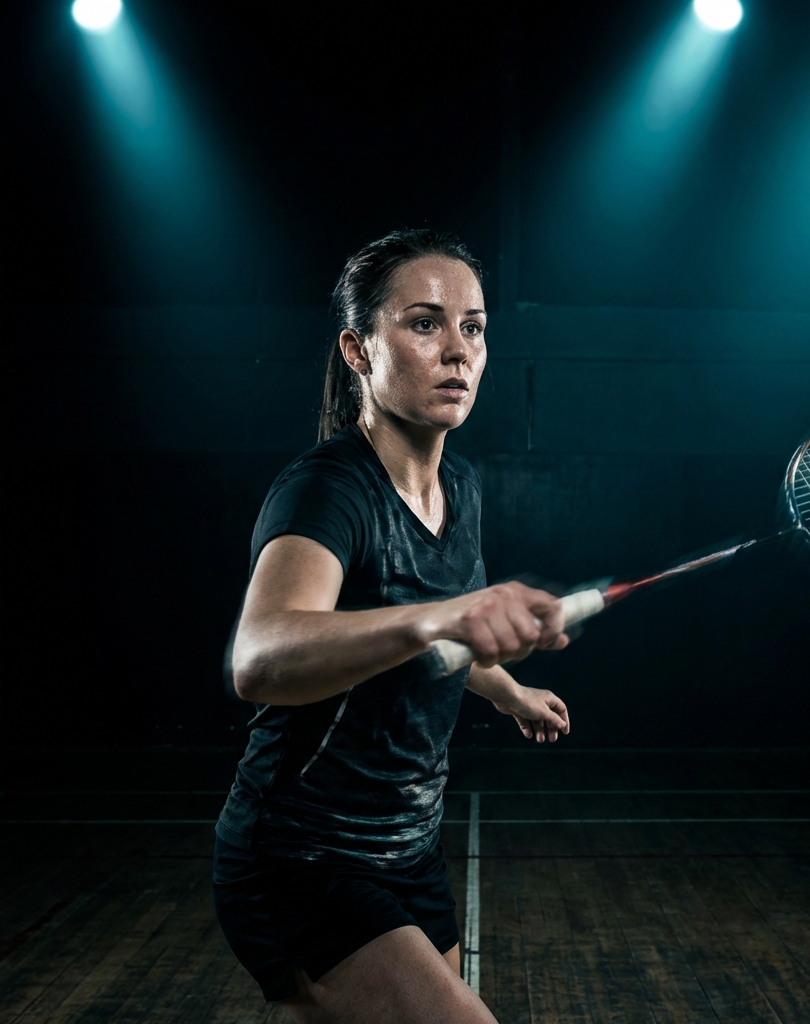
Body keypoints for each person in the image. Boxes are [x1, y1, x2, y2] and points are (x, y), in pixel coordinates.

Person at [213, 228, 573, 1023]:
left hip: (407, 850)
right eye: (424, 323)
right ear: (357, 349)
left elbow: (448, 638)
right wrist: (440, 615)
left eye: (473, 327)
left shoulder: (462, 486)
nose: (457, 352)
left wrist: (508, 689)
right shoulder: (328, 490)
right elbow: (260, 655)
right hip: (299, 855)